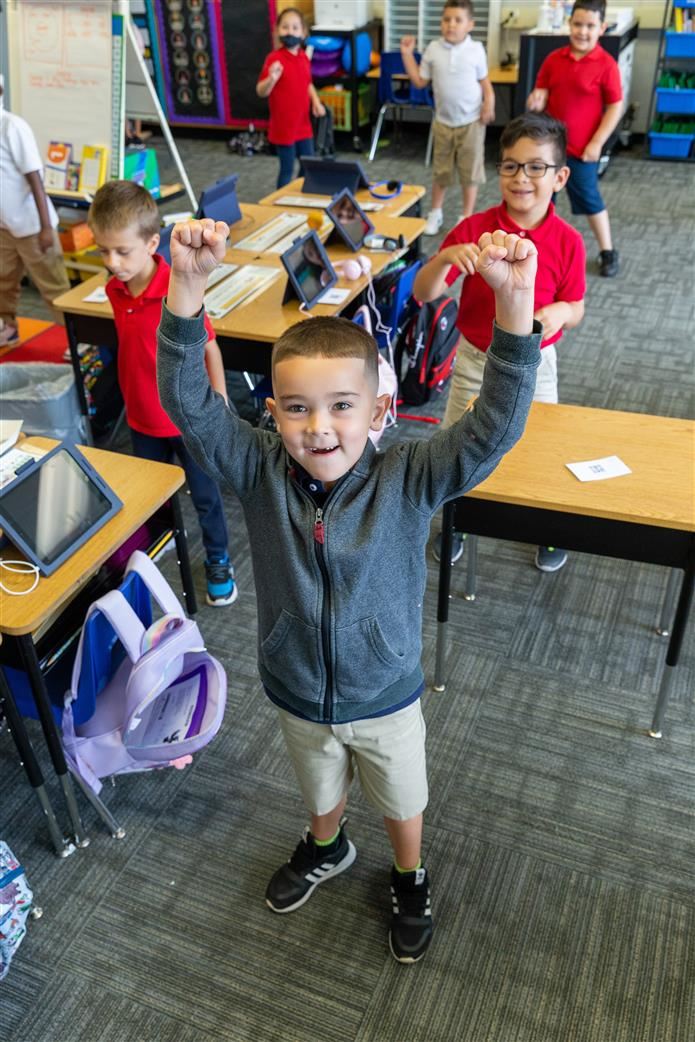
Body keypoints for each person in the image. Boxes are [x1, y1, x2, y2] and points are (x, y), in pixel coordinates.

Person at [156, 215, 542, 964]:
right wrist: (187, 286)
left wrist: (514, 307)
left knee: (403, 802)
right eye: (296, 408)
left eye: (341, 406)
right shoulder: (258, 467)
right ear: (271, 414)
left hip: (386, 690)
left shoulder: (410, 476)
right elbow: (189, 408)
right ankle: (326, 846)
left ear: (378, 413)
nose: (318, 426)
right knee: (317, 782)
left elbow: (493, 427)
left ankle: (408, 873)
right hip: (295, 683)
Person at [414, 112, 585, 573]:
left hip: (536, 361)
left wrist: (560, 313)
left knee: (541, 447)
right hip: (474, 360)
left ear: (560, 176)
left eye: (535, 167)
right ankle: (456, 522)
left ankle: (544, 526)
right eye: (510, 165)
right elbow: (424, 293)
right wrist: (447, 256)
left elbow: (577, 305)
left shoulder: (568, 241)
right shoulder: (474, 230)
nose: (521, 178)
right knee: (457, 447)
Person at [87, 181, 237, 607]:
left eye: (122, 251)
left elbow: (209, 344)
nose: (112, 263)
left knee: (206, 496)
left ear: (153, 242)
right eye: (103, 251)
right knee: (151, 494)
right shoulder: (116, 289)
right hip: (141, 418)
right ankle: (160, 538)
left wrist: (221, 398)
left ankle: (219, 558)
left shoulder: (179, 287)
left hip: (186, 419)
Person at [527, 0, 623, 277]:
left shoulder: (606, 65)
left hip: (582, 151)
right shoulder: (554, 59)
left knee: (589, 199)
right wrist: (537, 98)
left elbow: (615, 106)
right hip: (550, 150)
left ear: (601, 28)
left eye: (590, 26)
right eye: (578, 24)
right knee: (543, 199)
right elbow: (541, 91)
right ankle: (540, 249)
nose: (583, 31)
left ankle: (607, 251)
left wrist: (597, 142)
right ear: (569, 24)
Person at [400, 0, 495, 237]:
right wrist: (406, 55)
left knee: (469, 173)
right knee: (441, 171)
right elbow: (420, 81)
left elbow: (486, 84)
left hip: (471, 122)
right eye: (446, 19)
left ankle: (466, 216)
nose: (451, 24)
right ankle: (435, 212)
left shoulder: (476, 50)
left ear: (470, 25)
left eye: (458, 20)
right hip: (443, 122)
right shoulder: (433, 49)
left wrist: (488, 105)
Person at [0, 75, 70, 347]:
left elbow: (35, 179)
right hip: (5, 226)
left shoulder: (12, 127)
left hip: (32, 226)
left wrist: (44, 228)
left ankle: (75, 339)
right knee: (4, 282)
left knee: (53, 286)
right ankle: (7, 326)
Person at [257, 7, 326, 189]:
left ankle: (298, 196)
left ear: (303, 32)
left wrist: (316, 102)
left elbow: (307, 83)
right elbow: (261, 91)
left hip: (303, 125)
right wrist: (272, 79)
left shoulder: (304, 57)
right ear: (277, 30)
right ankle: (280, 201)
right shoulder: (274, 59)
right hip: (283, 127)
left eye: (295, 28)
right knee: (286, 169)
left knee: (309, 165)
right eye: (285, 27)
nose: (290, 31)